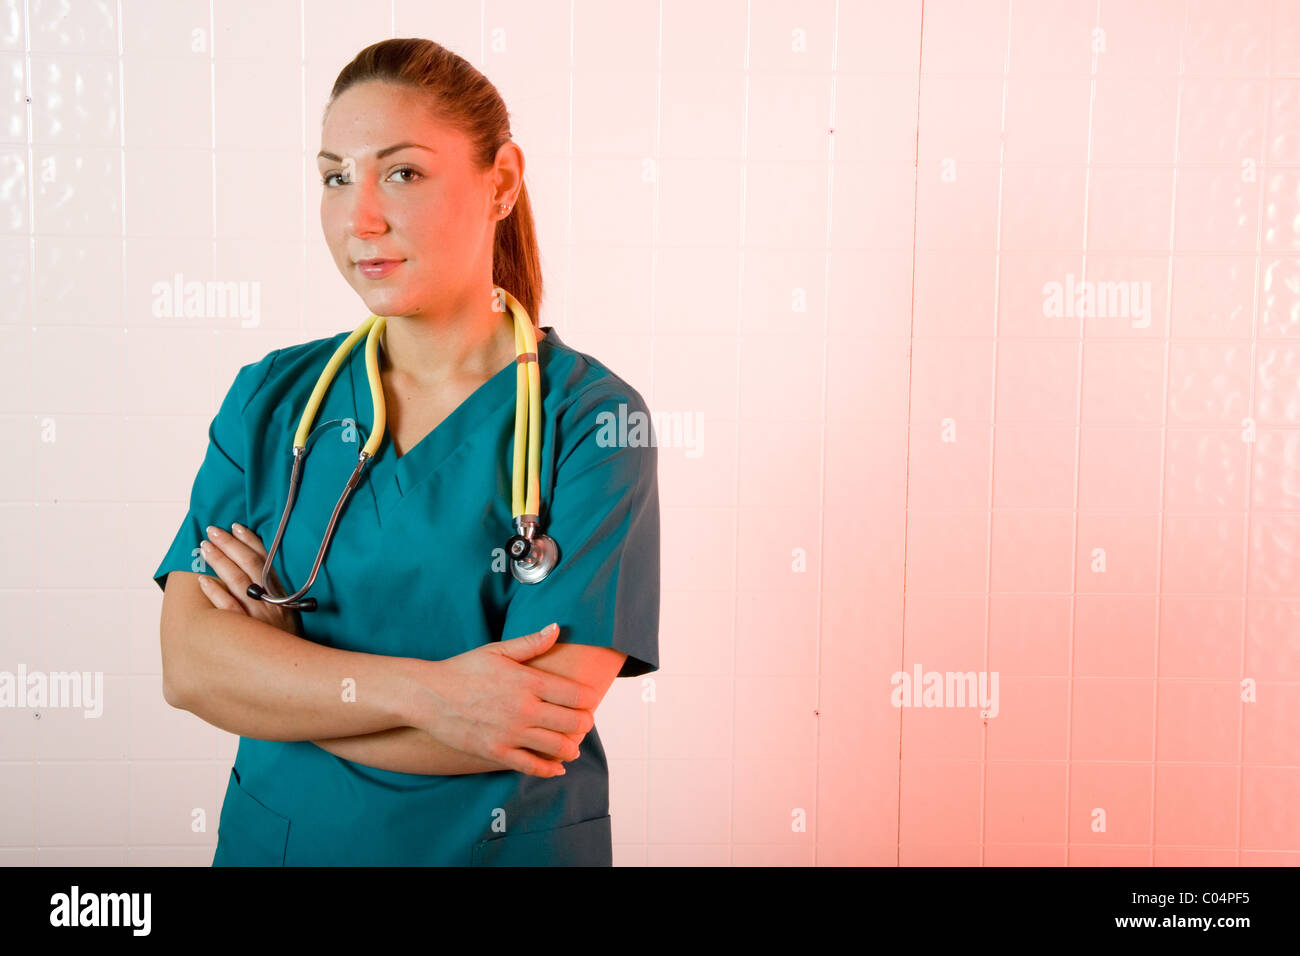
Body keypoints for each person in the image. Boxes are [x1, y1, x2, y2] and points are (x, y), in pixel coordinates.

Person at [153, 38, 660, 866]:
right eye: (335, 177)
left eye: (403, 173)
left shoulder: (593, 421)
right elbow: (190, 668)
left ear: (500, 181)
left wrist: (281, 678)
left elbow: (539, 720)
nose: (361, 219)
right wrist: (441, 695)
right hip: (283, 844)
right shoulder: (271, 400)